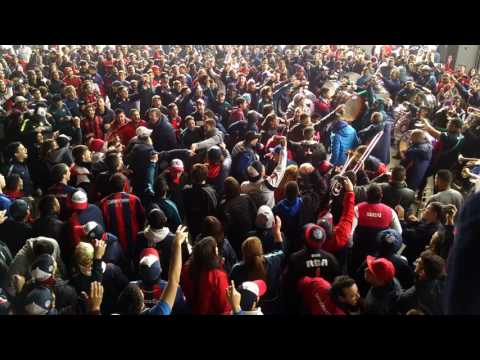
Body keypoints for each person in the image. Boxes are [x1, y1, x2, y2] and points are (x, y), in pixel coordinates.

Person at [116, 225, 189, 315]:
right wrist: (177, 243)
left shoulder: (130, 287)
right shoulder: (175, 292)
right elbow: (174, 282)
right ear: (161, 269)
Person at [350, 183, 403, 273]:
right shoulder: (390, 211)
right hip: (379, 252)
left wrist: (351, 246)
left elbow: (350, 233)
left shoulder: (357, 208)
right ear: (381, 195)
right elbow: (399, 232)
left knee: (356, 272)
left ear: (367, 195)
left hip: (359, 250)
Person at [230, 236, 285, 314]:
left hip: (246, 310)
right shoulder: (273, 261)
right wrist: (277, 233)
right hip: (273, 308)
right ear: (261, 250)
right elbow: (280, 251)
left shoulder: (236, 269)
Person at [180, 236, 231, 315]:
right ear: (212, 253)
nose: (217, 249)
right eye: (216, 247)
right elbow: (223, 305)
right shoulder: (217, 276)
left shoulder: (187, 268)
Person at [100, 173, 145, 260]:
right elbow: (142, 219)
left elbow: (104, 224)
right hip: (134, 241)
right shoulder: (134, 200)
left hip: (115, 244)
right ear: (125, 185)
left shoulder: (104, 203)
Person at [240, 136, 287, 208]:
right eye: (262, 167)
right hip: (268, 212)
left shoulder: (243, 186)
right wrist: (283, 148)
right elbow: (280, 168)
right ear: (262, 173)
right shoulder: (268, 184)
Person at [396, 250, 446, 315]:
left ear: (422, 272)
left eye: (419, 263)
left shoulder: (410, 296)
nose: (416, 261)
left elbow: (399, 304)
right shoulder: (442, 286)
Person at [218, 177, 258, 255]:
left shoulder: (223, 205)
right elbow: (255, 214)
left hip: (234, 239)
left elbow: (224, 226)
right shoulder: (246, 197)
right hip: (250, 234)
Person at [182, 163, 218, 241]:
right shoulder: (210, 191)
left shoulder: (186, 191)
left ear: (192, 177)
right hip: (207, 226)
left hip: (192, 225)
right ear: (206, 176)